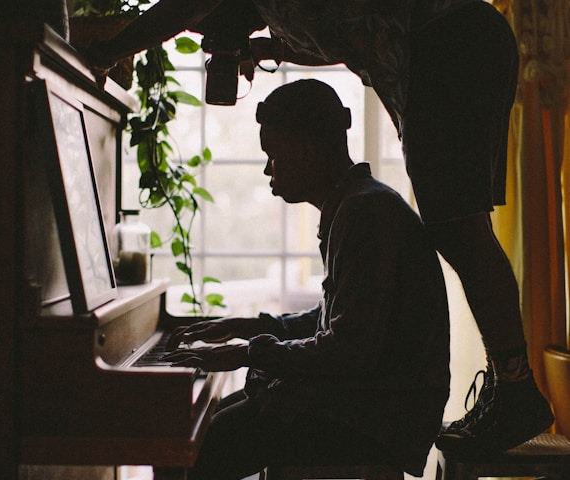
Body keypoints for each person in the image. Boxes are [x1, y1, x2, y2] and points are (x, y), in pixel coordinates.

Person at [88, 0, 555, 455]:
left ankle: (514, 391)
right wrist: (272, 50)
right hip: (451, 43)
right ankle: (508, 385)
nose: (216, 44)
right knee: (461, 230)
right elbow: (342, 39)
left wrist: (113, 48)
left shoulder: (362, 211)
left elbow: (180, 8)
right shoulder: (295, 21)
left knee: (459, 232)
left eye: (213, 34)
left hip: (448, 43)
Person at [159, 79, 450, 479]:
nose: (267, 169)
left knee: (193, 451)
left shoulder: (364, 214)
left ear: (307, 150)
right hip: (368, 400)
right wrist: (245, 327)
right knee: (199, 432)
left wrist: (247, 353)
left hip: (378, 417)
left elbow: (349, 349)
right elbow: (335, 320)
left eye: (273, 154)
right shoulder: (357, 202)